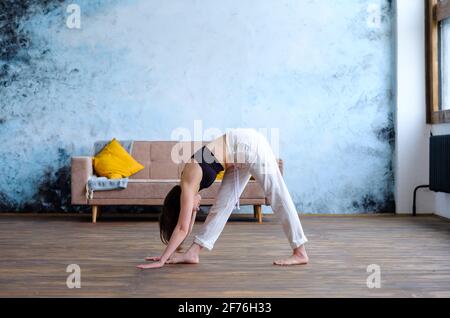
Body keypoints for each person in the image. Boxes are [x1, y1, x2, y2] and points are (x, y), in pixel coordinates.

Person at [136, 128, 308, 269]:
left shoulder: (188, 185)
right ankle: (193, 252)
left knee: (278, 195)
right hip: (237, 155)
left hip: (247, 145)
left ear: (182, 204)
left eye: (190, 209)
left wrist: (162, 260)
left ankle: (300, 252)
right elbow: (186, 227)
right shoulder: (190, 186)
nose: (195, 209)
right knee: (221, 207)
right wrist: (167, 255)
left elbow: (181, 228)